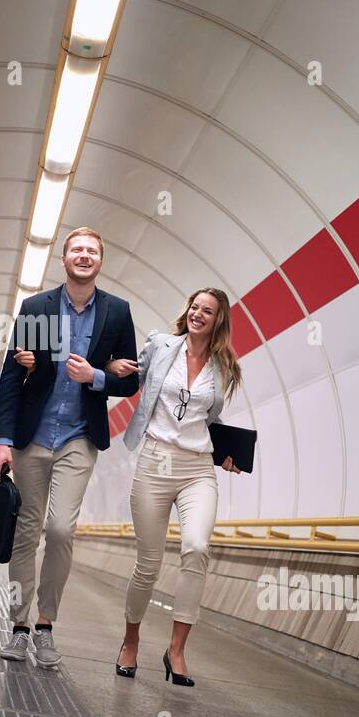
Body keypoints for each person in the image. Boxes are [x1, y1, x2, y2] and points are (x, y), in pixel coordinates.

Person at [0, 227, 139, 668]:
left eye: (92, 250)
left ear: (100, 260)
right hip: (32, 435)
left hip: (79, 435)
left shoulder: (116, 312)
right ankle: (19, 627)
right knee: (26, 530)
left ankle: (46, 624)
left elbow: (130, 379)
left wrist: (96, 376)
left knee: (60, 531)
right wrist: (2, 441)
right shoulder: (37, 308)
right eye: (77, 250)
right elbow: (12, 377)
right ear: (64, 259)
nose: (84, 255)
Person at [109, 288, 243, 687]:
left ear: (219, 320)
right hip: (155, 460)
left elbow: (210, 418)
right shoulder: (160, 345)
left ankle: (177, 650)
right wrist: (110, 368)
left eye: (207, 311)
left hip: (197, 466)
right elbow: (129, 380)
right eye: (194, 307)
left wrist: (228, 454)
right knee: (148, 565)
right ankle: (131, 641)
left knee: (197, 548)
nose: (198, 314)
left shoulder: (225, 366)